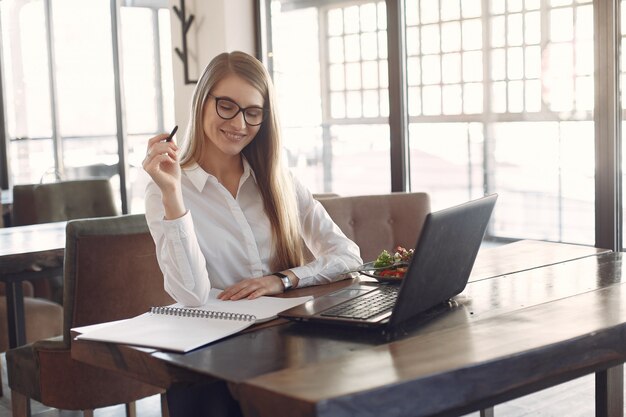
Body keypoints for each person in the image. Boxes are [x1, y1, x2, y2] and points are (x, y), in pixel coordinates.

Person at [142, 51, 362, 416]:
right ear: (202, 103)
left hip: (284, 341)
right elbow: (191, 295)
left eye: (253, 112)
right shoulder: (165, 188)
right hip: (213, 352)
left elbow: (348, 255)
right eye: (226, 106)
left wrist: (285, 279)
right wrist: (172, 195)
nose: (239, 124)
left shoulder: (280, 181)